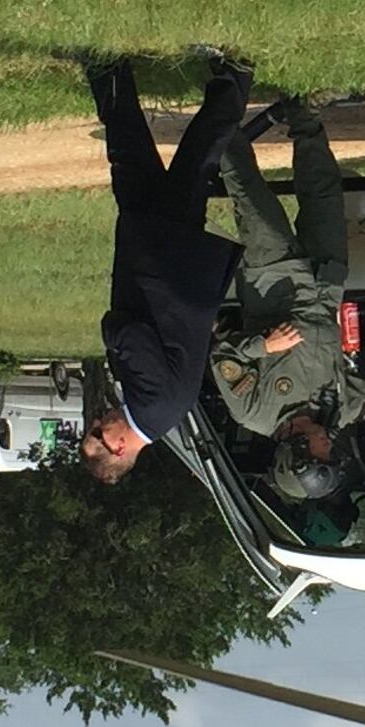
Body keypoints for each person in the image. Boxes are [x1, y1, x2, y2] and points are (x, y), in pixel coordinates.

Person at [204, 100, 365, 445]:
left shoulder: (254, 412)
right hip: (325, 284)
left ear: (297, 448)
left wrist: (265, 345)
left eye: (322, 451)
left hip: (274, 282)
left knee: (249, 194)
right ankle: (303, 108)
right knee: (323, 190)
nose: (329, 444)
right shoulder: (338, 411)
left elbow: (224, 356)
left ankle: (221, 98)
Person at [79, 52, 250, 483]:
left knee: (133, 157)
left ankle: (109, 71)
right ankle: (236, 76)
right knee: (197, 156)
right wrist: (108, 335)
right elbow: (129, 333)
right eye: (98, 432)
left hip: (162, 259)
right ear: (118, 447)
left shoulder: (162, 414)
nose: (98, 420)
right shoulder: (152, 404)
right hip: (164, 260)